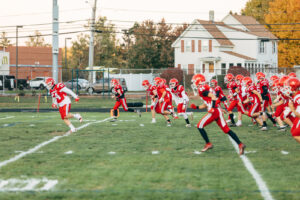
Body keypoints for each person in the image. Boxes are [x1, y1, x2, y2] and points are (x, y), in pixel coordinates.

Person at [190, 74, 246, 155]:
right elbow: (206, 104)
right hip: (218, 110)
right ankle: (240, 144)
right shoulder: (205, 88)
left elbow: (213, 97)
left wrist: (212, 108)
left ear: (199, 81)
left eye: (194, 81)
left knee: (199, 126)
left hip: (214, 111)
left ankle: (208, 143)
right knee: (226, 130)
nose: (194, 83)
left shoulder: (201, 88)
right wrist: (196, 107)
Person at [287, 77, 300, 143]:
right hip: (298, 116)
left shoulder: (298, 97)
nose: (287, 89)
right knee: (293, 131)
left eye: (289, 87)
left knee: (295, 134)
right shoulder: (294, 95)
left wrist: (293, 109)